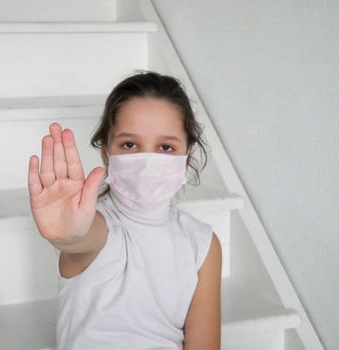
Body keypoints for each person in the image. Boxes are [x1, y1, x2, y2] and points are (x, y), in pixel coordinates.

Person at [28, 70, 222, 350]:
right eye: (129, 145)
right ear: (106, 152)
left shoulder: (202, 243)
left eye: (165, 147)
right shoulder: (98, 227)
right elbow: (79, 238)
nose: (147, 161)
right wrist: (65, 234)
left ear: (186, 156)